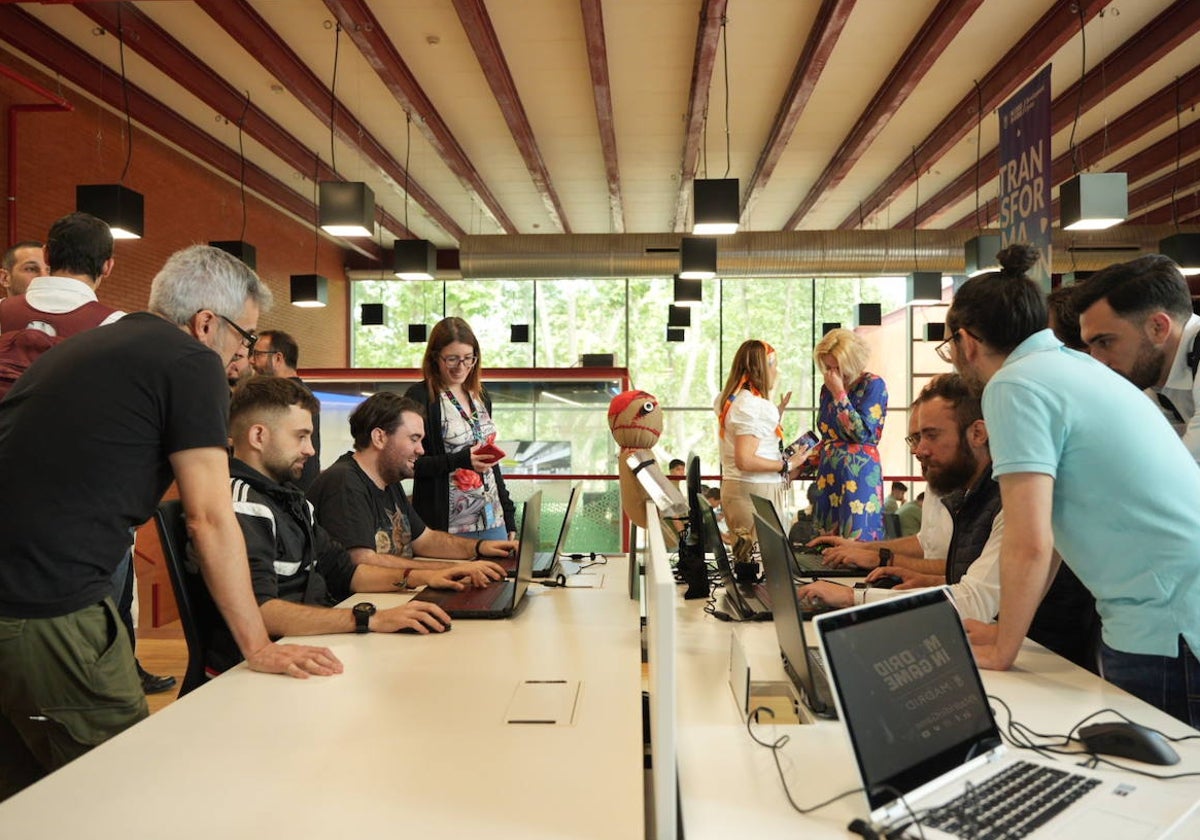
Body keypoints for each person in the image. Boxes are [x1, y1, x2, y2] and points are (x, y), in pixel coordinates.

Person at [0, 245, 339, 801]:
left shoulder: (94, 343)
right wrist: (257, 645)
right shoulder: (190, 360)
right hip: (49, 606)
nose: (245, 358)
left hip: (17, 600)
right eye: (246, 338)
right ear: (207, 323)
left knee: (27, 802)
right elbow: (209, 516)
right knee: (132, 791)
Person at [943, 243, 1200, 725]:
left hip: (1166, 624)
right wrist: (1007, 634)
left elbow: (1029, 541)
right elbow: (1054, 533)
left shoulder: (1014, 384)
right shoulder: (1070, 367)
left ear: (966, 341)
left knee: (1162, 790)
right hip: (1175, 612)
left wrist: (1004, 647)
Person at [800, 373, 1096, 667]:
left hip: (1049, 664)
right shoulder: (969, 496)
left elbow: (975, 603)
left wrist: (852, 598)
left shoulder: (1015, 497)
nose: (919, 450)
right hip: (1015, 655)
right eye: (915, 439)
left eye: (932, 435)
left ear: (978, 434)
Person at [0, 215, 172, 694]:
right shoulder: (117, 326)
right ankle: (110, 680)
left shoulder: (1, 312)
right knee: (103, 600)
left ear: (48, 259)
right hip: (83, 494)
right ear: (110, 266)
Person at [207, 378, 455, 674]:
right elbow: (261, 611)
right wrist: (369, 619)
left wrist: (428, 577)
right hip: (258, 672)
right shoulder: (240, 505)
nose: (310, 450)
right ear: (259, 436)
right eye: (300, 436)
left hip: (308, 648)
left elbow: (348, 572)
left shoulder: (292, 500)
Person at [307, 391, 516, 576]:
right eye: (414, 439)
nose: (421, 450)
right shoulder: (344, 482)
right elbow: (363, 561)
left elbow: (425, 539)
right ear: (379, 437)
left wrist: (480, 548)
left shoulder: (388, 481)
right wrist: (449, 569)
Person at [1074, 255, 1200, 463]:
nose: (1096, 361)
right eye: (1091, 347)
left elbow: (1177, 473)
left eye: (1105, 342)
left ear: (1158, 328)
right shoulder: (1151, 375)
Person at [404, 317, 516, 540]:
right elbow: (411, 464)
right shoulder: (420, 397)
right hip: (446, 525)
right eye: (452, 359)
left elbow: (492, 466)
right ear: (435, 357)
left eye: (468, 359)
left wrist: (510, 516)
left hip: (492, 517)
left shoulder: (481, 396)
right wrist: (460, 460)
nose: (461, 367)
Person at [714, 339, 806, 543]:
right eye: (774, 365)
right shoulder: (754, 406)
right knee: (762, 565)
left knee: (747, 563)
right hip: (755, 493)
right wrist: (788, 464)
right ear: (763, 368)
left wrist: (775, 414)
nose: (776, 372)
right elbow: (745, 460)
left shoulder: (728, 399)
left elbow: (745, 437)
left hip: (735, 489)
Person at [808, 327, 888, 540]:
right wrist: (804, 462)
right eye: (827, 366)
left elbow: (860, 433)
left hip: (858, 473)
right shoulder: (827, 389)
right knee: (825, 545)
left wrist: (840, 394)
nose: (832, 372)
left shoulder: (873, 384)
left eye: (837, 366)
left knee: (857, 539)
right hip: (829, 474)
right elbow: (828, 436)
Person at [250, 329, 320, 489]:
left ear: (277, 358)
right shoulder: (302, 393)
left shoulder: (284, 397)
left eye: (257, 354)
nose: (251, 361)